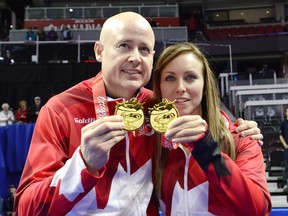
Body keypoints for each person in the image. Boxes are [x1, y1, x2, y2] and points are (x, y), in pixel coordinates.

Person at [15, 12, 263, 215]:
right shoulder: (61, 110)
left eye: (144, 49)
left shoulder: (160, 106)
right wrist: (83, 165)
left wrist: (242, 131)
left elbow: (206, 116)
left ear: (152, 57)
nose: (135, 58)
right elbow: (27, 208)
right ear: (99, 51)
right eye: (124, 46)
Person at [151, 42, 271, 215]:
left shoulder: (241, 138)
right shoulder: (153, 142)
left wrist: (207, 149)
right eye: (170, 78)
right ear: (159, 87)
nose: (180, 88)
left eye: (190, 77)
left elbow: (256, 209)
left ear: (205, 86)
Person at [279, 106, 288, 193]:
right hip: (286, 149)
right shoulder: (283, 123)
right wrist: (285, 144)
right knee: (287, 167)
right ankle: (286, 184)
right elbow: (280, 135)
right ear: (286, 113)